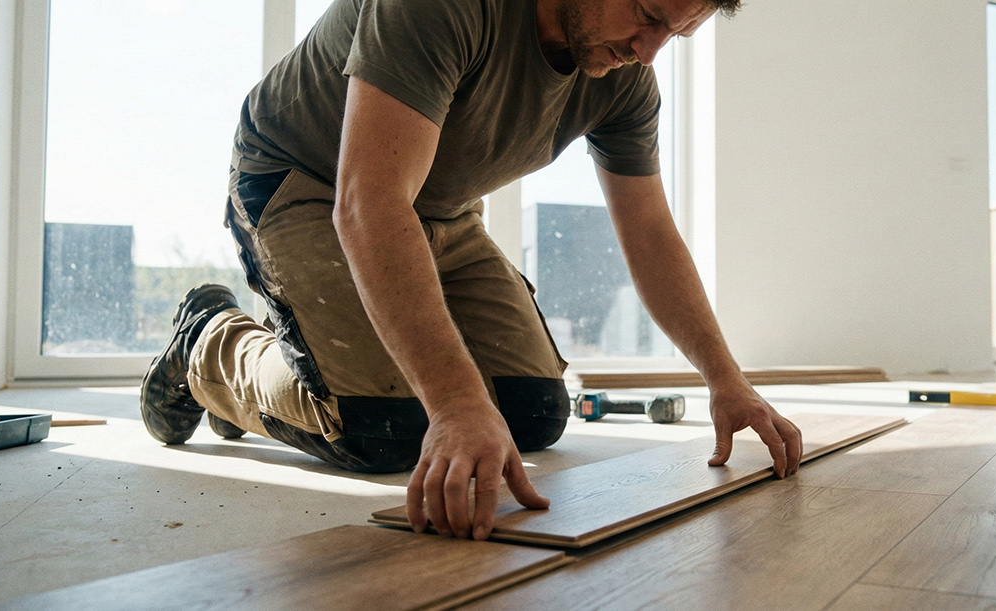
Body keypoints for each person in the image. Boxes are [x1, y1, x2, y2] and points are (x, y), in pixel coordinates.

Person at [140, 0, 801, 541]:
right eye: (649, 15)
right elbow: (369, 202)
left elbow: (651, 234)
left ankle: (308, 355)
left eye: (676, 33)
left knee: (532, 413)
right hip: (303, 183)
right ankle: (210, 341)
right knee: (388, 426)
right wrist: (454, 405)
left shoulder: (623, 77)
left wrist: (726, 378)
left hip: (441, 214)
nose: (650, 50)